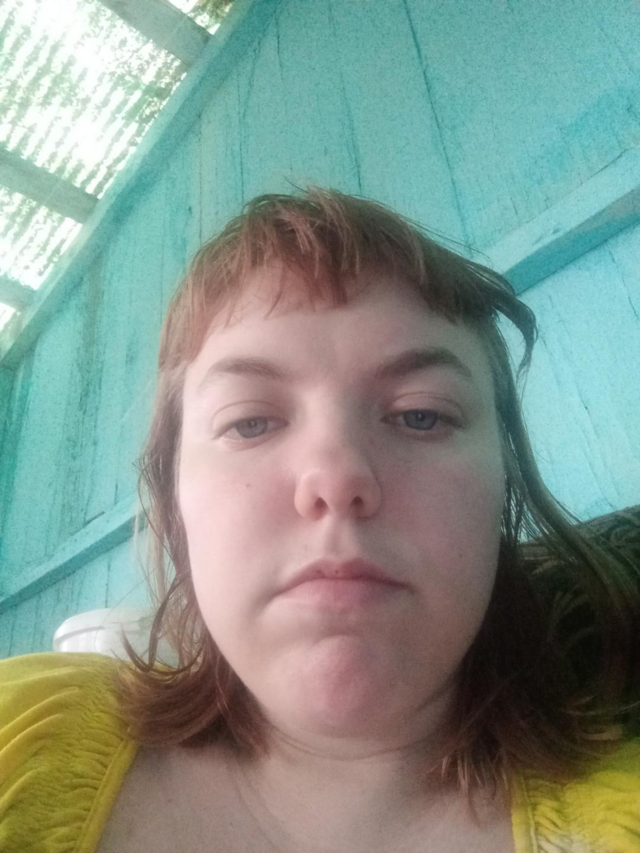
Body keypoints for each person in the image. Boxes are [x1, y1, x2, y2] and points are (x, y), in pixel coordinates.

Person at [1, 188, 639, 852]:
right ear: (174, 495)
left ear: (502, 485)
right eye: (249, 422)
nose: (337, 479)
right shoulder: (17, 733)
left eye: (421, 414)